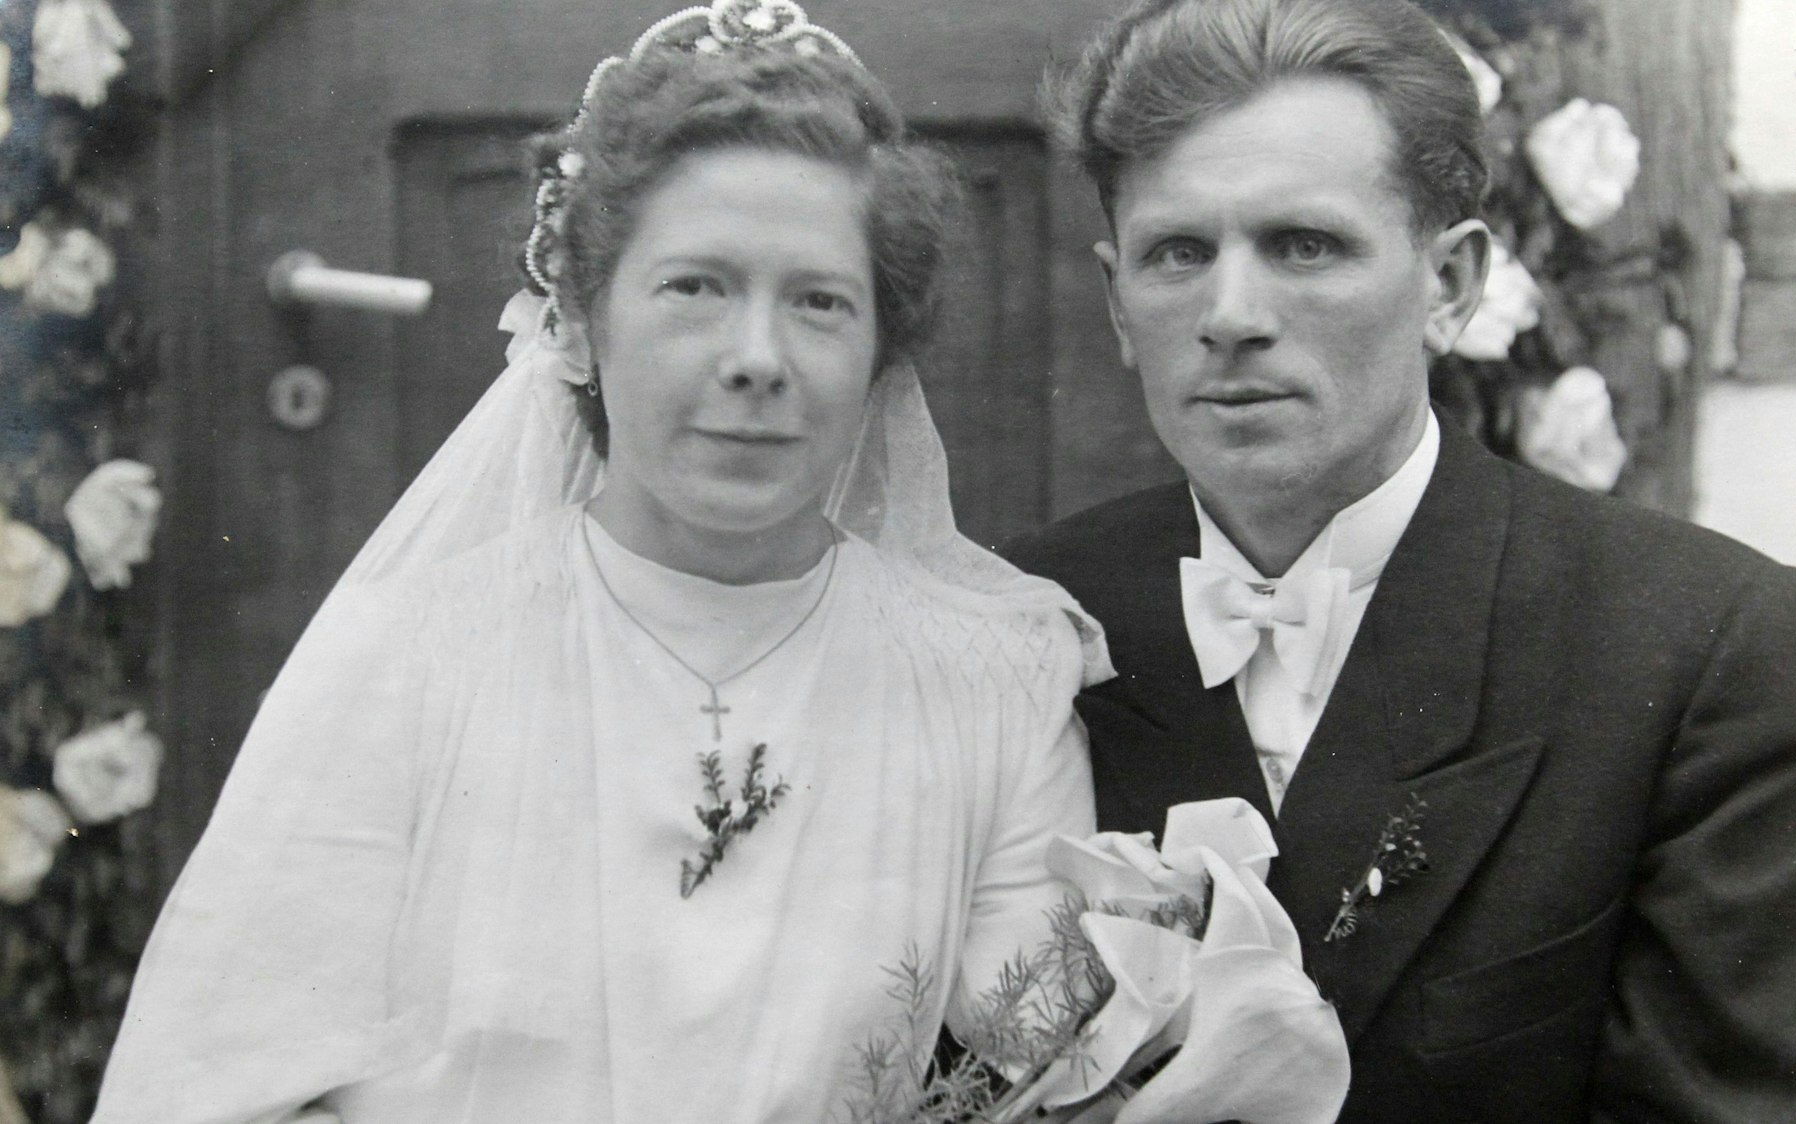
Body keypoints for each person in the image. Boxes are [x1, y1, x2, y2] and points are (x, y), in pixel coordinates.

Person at [89, 6, 1107, 1122]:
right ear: (578, 320)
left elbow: (1046, 1076)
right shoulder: (407, 654)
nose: (755, 359)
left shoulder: (995, 681)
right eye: (694, 288)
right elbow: (214, 1085)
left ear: (879, 355)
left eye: (818, 301)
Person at [1006, 0, 1796, 1120]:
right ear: (1119, 302)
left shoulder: (1706, 644)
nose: (1229, 314)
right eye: (1178, 253)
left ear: (1452, 284)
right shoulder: (1028, 617)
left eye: (1302, 244)